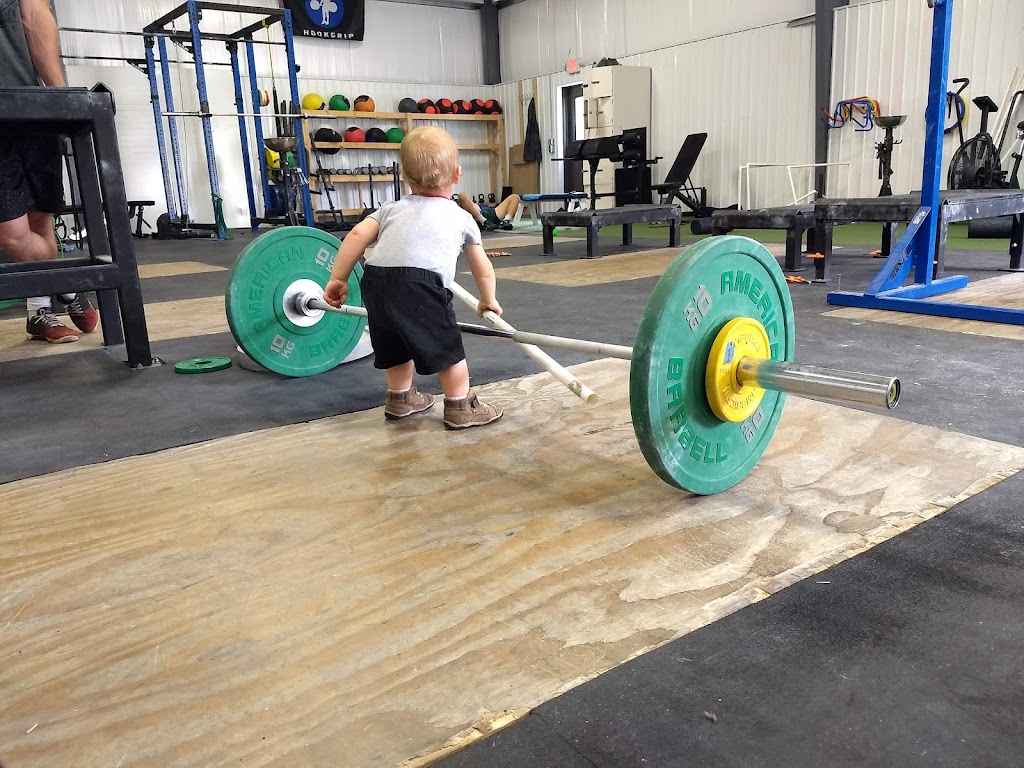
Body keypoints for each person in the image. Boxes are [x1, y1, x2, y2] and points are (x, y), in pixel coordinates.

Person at [323, 126, 504, 430]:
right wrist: (488, 300)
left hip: (375, 281)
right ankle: (461, 406)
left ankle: (401, 398)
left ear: (404, 176)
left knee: (394, 346)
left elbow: (356, 236)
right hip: (421, 285)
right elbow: (481, 266)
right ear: (457, 174)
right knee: (447, 349)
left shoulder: (390, 209)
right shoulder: (461, 217)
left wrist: (338, 279)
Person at [0, 0, 97, 343]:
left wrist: (62, 99)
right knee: (10, 234)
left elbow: (33, 14)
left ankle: (39, 313)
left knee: (40, 220)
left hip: (31, 107)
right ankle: (68, 287)